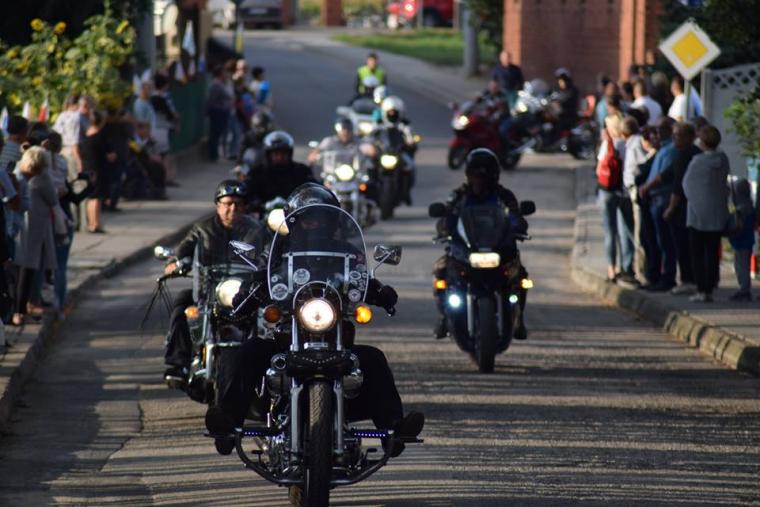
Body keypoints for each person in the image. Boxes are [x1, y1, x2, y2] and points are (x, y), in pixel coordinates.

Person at [205, 183, 424, 458]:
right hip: (288, 336)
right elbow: (261, 275)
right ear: (294, 221)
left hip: (335, 336)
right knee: (244, 353)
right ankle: (227, 426)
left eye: (321, 219)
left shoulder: (347, 252)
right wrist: (248, 294)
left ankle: (394, 432)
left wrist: (381, 292)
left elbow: (360, 277)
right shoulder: (277, 252)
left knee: (374, 359)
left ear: (333, 221)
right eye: (308, 219)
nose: (315, 224)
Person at [163, 180, 264, 384]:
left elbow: (269, 252)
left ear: (245, 207)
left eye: (238, 204)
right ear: (218, 205)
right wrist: (175, 262)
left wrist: (271, 266)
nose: (232, 209)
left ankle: (271, 367)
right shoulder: (203, 228)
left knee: (271, 315)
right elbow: (185, 248)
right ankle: (178, 364)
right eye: (227, 203)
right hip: (207, 288)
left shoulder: (256, 230)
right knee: (181, 307)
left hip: (244, 291)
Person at [431, 148, 528, 340]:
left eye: (486, 173)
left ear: (495, 174)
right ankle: (444, 317)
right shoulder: (459, 196)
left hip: (498, 248)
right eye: (476, 173)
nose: (480, 179)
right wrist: (444, 228)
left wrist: (517, 225)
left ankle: (518, 319)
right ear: (468, 174)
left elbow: (516, 216)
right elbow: (447, 217)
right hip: (466, 249)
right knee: (440, 270)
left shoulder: (504, 196)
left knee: (521, 275)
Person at [11, 146, 58, 326]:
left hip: (23, 227)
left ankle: (20, 310)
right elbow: (52, 198)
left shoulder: (20, 175)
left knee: (23, 271)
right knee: (25, 272)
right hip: (26, 228)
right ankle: (19, 312)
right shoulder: (26, 178)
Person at [682, 125, 729, 302]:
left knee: (697, 254)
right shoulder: (723, 159)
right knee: (712, 252)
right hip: (717, 212)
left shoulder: (697, 162)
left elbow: (687, 185)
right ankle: (711, 284)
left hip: (698, 215)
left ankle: (702, 289)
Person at [639, 117, 677, 291]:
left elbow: (663, 175)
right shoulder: (662, 148)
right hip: (654, 199)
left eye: (660, 129)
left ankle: (667, 277)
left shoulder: (670, 149)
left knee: (664, 242)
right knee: (653, 240)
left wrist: (647, 187)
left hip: (662, 199)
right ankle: (654, 276)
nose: (656, 133)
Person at [243, 130, 316, 212]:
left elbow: (313, 191)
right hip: (262, 215)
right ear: (268, 155)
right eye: (276, 154)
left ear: (290, 153)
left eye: (284, 153)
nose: (280, 157)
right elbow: (247, 194)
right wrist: (261, 205)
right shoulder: (256, 173)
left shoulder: (302, 171)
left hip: (296, 214)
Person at [80, 111, 112, 233]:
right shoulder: (99, 136)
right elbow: (108, 154)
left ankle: (91, 223)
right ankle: (95, 223)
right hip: (97, 168)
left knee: (90, 197)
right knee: (96, 197)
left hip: (87, 167)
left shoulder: (85, 135)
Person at [728, 178, 755, 301]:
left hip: (740, 242)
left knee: (741, 267)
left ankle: (744, 290)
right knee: (744, 266)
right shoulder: (750, 207)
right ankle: (744, 288)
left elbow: (737, 227)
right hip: (747, 241)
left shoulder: (741, 210)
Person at [150, 73, 179, 185]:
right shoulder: (162, 98)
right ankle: (166, 178)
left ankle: (161, 178)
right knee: (165, 154)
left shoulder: (151, 97)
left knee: (159, 153)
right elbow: (170, 114)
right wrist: (176, 121)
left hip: (156, 127)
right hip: (163, 128)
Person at [206, 65, 233, 161]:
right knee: (215, 134)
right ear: (220, 74)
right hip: (217, 112)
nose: (226, 74)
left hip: (220, 111)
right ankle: (213, 155)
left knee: (217, 133)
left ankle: (215, 155)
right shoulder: (216, 85)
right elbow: (214, 99)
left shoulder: (221, 84)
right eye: (224, 72)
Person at [53, 95, 83, 174]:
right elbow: (74, 140)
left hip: (61, 151)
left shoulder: (61, 116)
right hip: (73, 151)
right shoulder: (76, 116)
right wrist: (78, 160)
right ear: (75, 104)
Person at [552, 68, 580, 133]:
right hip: (560, 117)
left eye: (561, 81)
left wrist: (559, 105)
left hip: (569, 118)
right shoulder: (558, 91)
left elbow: (570, 103)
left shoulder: (573, 91)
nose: (560, 83)